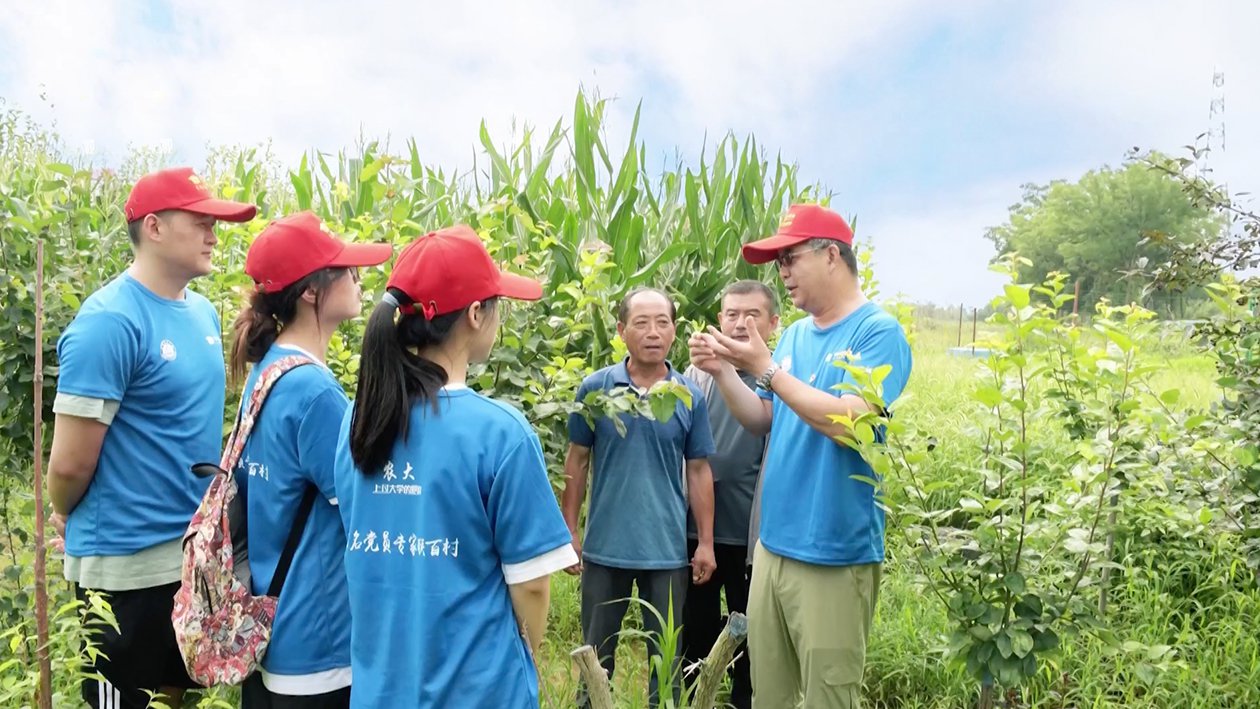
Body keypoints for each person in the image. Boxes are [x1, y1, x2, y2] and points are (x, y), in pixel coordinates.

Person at [334, 225, 577, 708]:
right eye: (496, 304)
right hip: (476, 692)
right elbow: (530, 586)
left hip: (379, 690)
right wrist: (525, 654)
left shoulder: (357, 421)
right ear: (474, 314)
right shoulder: (501, 433)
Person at [47, 166, 257, 708]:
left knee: (170, 697)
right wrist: (63, 508)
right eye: (201, 221)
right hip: (122, 570)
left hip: (187, 563)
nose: (214, 234)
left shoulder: (203, 314)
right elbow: (69, 466)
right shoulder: (110, 322)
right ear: (155, 227)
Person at [689, 204, 913, 708]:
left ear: (831, 255)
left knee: (828, 696)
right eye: (778, 262)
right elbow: (765, 418)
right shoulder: (793, 335)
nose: (782, 272)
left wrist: (767, 369)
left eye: (790, 258)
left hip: (833, 551)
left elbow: (849, 423)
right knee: (770, 691)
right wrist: (725, 370)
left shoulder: (877, 332)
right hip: (773, 544)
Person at [231, 211, 391, 707]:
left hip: (273, 631)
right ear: (310, 292)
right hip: (319, 646)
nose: (359, 280)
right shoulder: (314, 392)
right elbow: (363, 507)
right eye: (346, 270)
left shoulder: (267, 372)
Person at [561, 286, 718, 708]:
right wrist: (569, 531)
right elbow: (577, 460)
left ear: (674, 331)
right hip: (604, 549)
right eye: (641, 323)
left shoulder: (688, 395)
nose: (653, 332)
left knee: (665, 659)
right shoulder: (596, 390)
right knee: (595, 655)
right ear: (621, 331)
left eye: (662, 322)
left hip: (666, 551)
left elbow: (699, 468)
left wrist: (705, 541)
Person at [680, 280, 779, 709]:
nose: (740, 324)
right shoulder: (698, 372)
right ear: (719, 319)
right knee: (694, 630)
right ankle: (691, 699)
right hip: (697, 529)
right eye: (732, 314)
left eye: (752, 315)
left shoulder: (777, 375)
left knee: (753, 631)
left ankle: (744, 700)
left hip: (754, 535)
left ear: (773, 324)